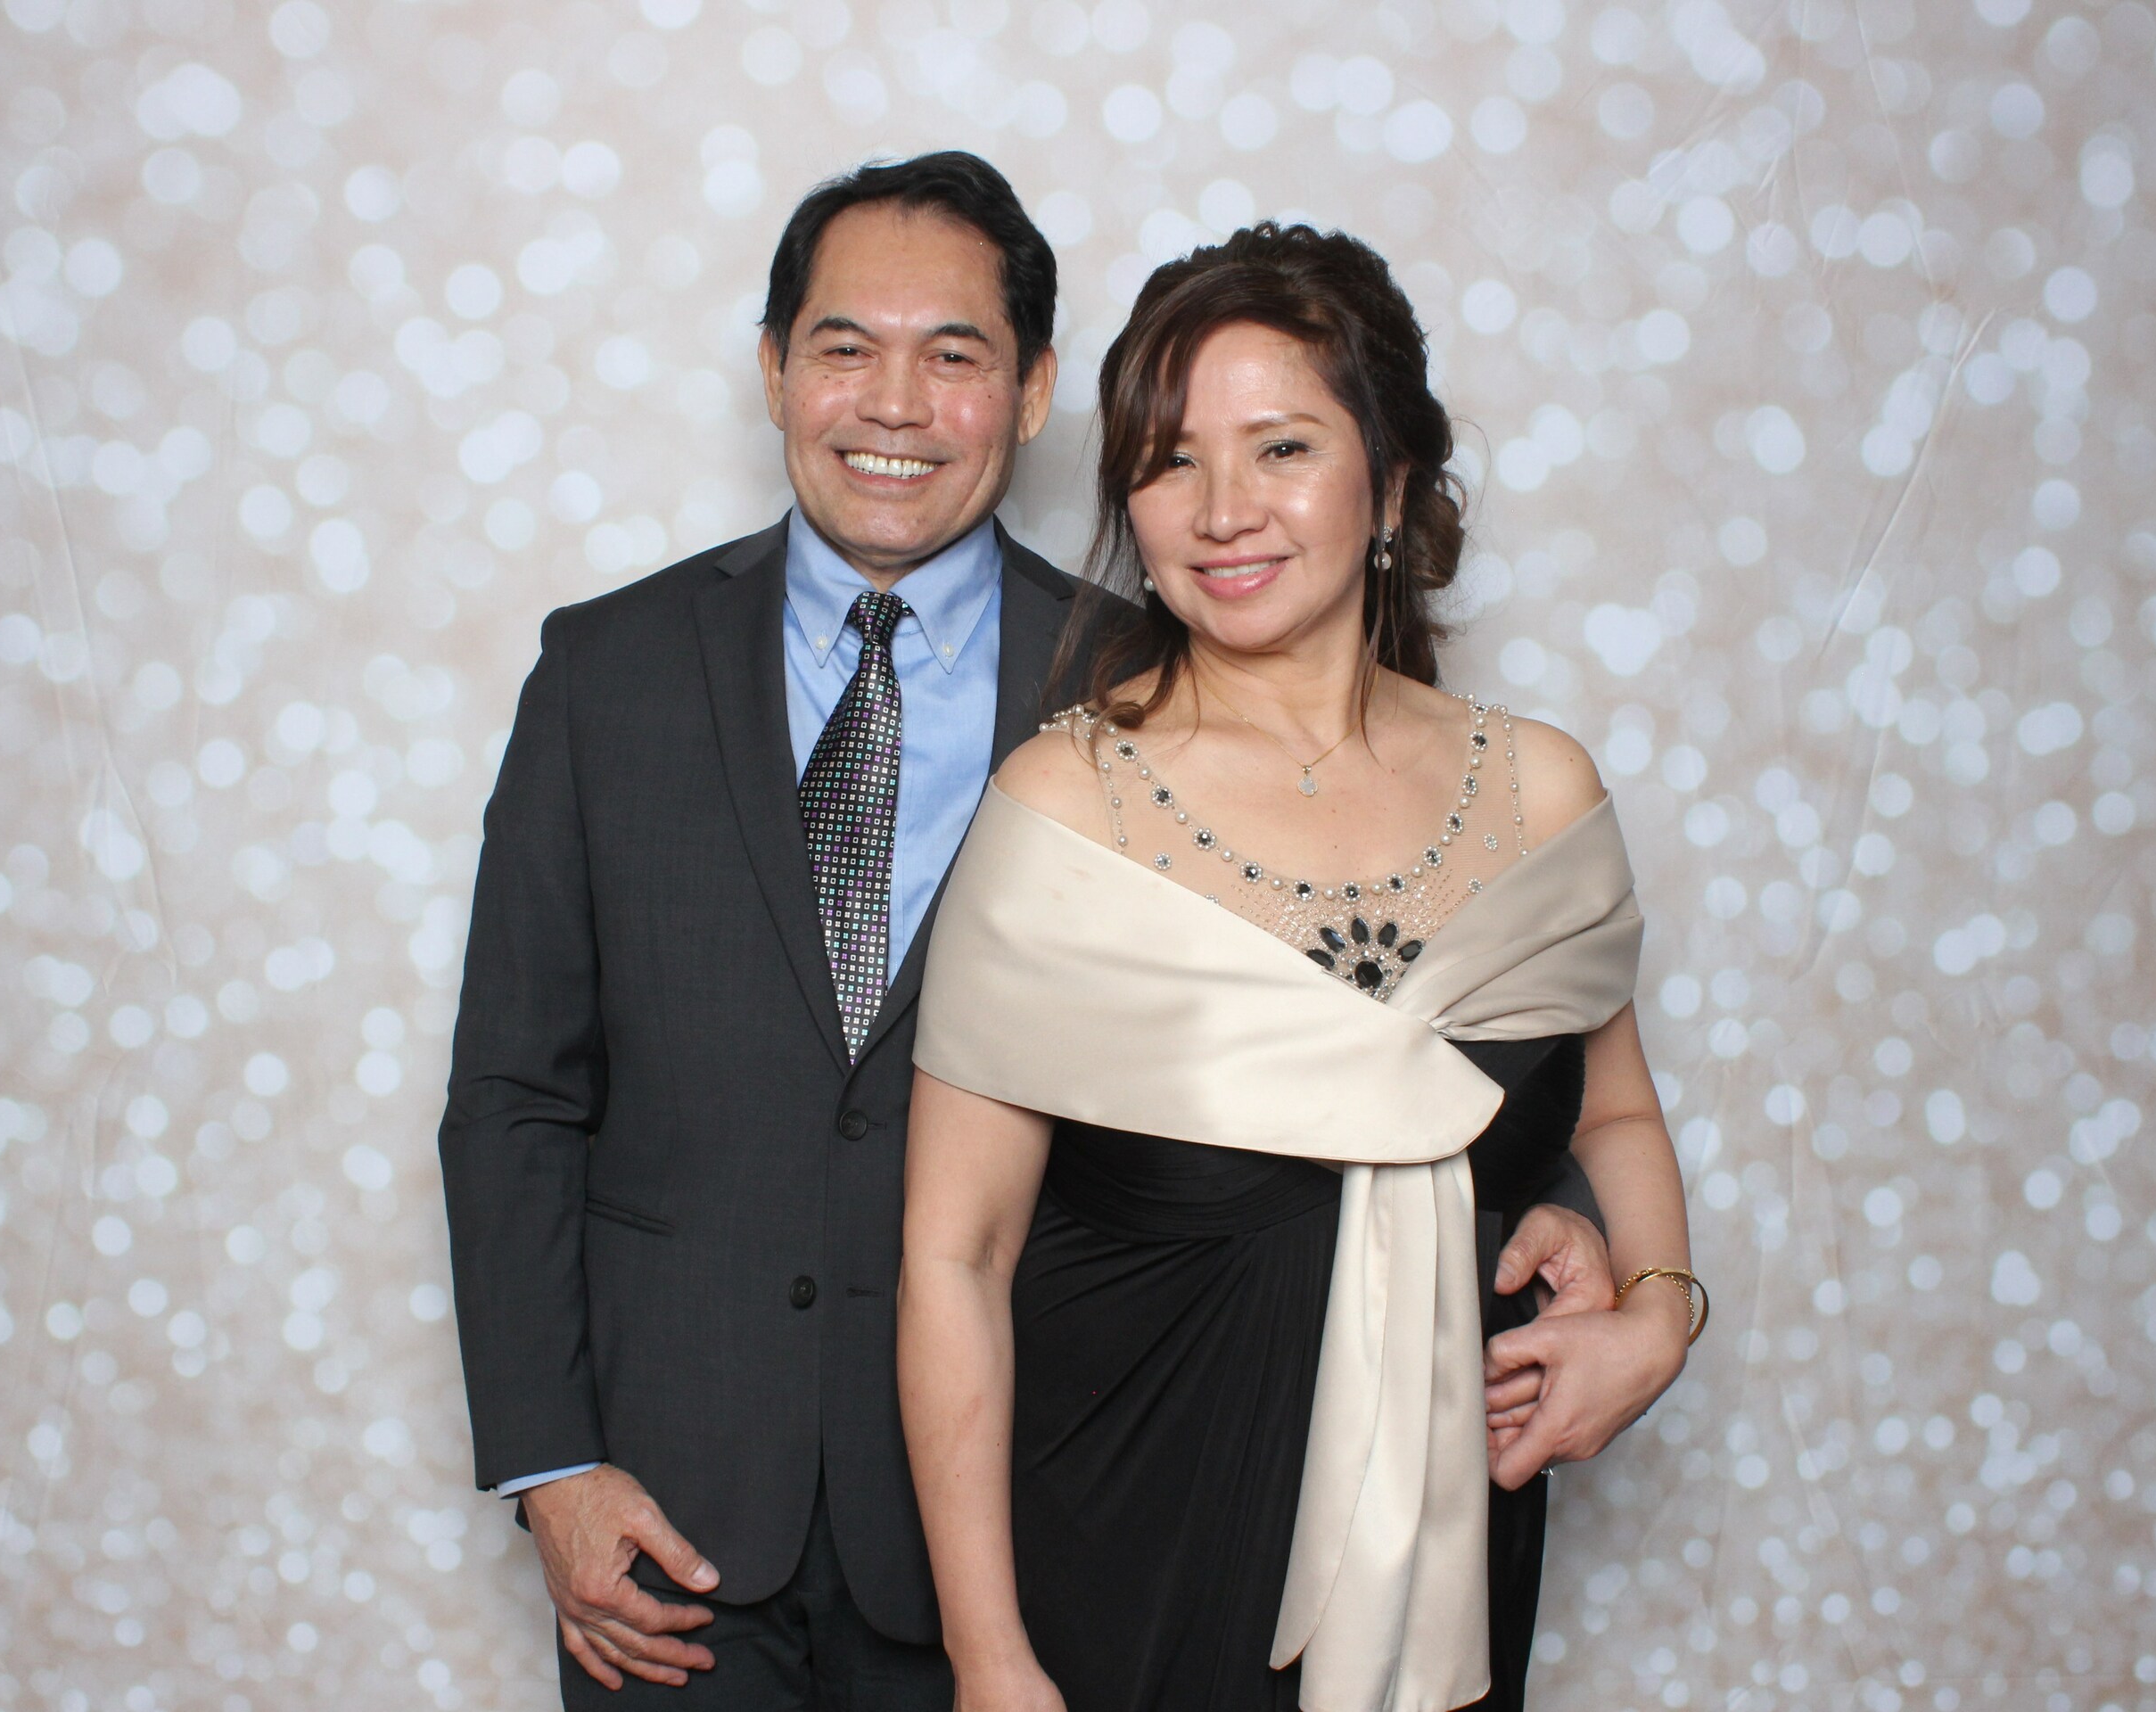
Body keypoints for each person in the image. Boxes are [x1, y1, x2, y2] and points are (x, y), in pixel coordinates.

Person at [440, 152, 1613, 1708]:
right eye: (845, 347)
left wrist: (1566, 1206)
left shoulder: (1164, 677)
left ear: (1037, 388)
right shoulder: (607, 674)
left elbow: (1369, 1002)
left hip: (1048, 1503)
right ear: (774, 369)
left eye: (955, 355)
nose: (894, 404)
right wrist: (552, 1464)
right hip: (673, 1506)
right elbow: (516, 1092)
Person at [898, 224, 1704, 1712]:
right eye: (1170, 461)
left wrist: (1660, 1314)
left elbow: (1612, 1111)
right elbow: (958, 1258)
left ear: (1389, 483)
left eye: (1281, 448)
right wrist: (987, 1655)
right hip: (1120, 1562)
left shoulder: (1541, 796)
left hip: (1452, 1545)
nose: (1222, 512)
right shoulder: (1066, 811)